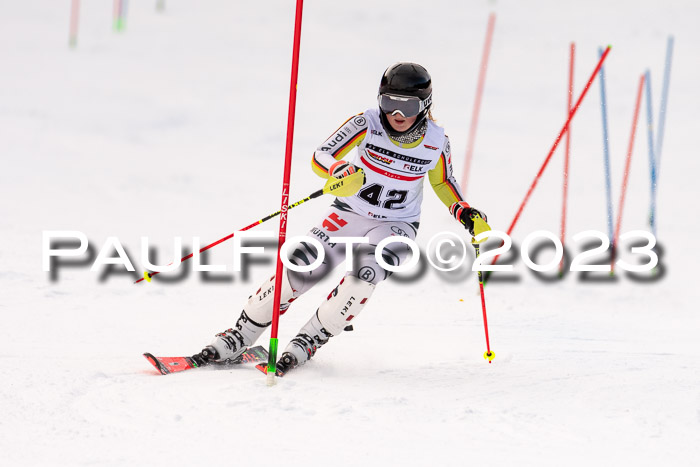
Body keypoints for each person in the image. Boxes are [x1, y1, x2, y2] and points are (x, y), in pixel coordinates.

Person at [192, 62, 488, 375]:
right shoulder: (366, 123)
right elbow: (322, 155)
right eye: (389, 103)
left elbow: (443, 182)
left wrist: (465, 212)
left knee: (365, 275)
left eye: (408, 106)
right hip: (348, 212)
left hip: (397, 224)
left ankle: (309, 340)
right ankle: (241, 335)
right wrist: (338, 169)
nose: (397, 115)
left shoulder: (436, 141)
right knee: (302, 266)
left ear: (425, 105)